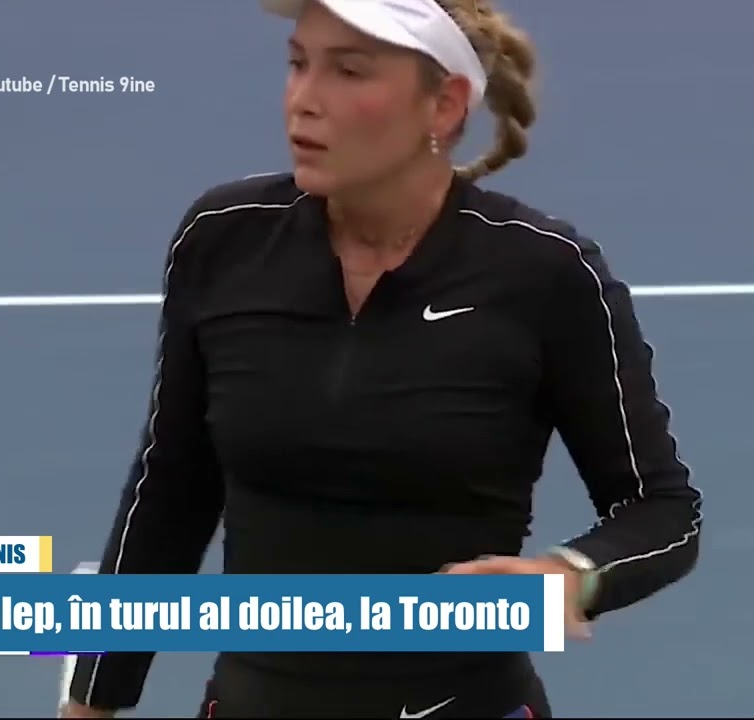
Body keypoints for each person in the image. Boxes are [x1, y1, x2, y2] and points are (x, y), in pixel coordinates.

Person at [63, 0, 703, 716]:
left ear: (445, 105)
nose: (304, 100)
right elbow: (169, 490)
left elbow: (662, 511)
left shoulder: (546, 273)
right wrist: (92, 701)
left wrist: (569, 575)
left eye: (348, 71)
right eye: (298, 63)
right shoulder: (222, 239)